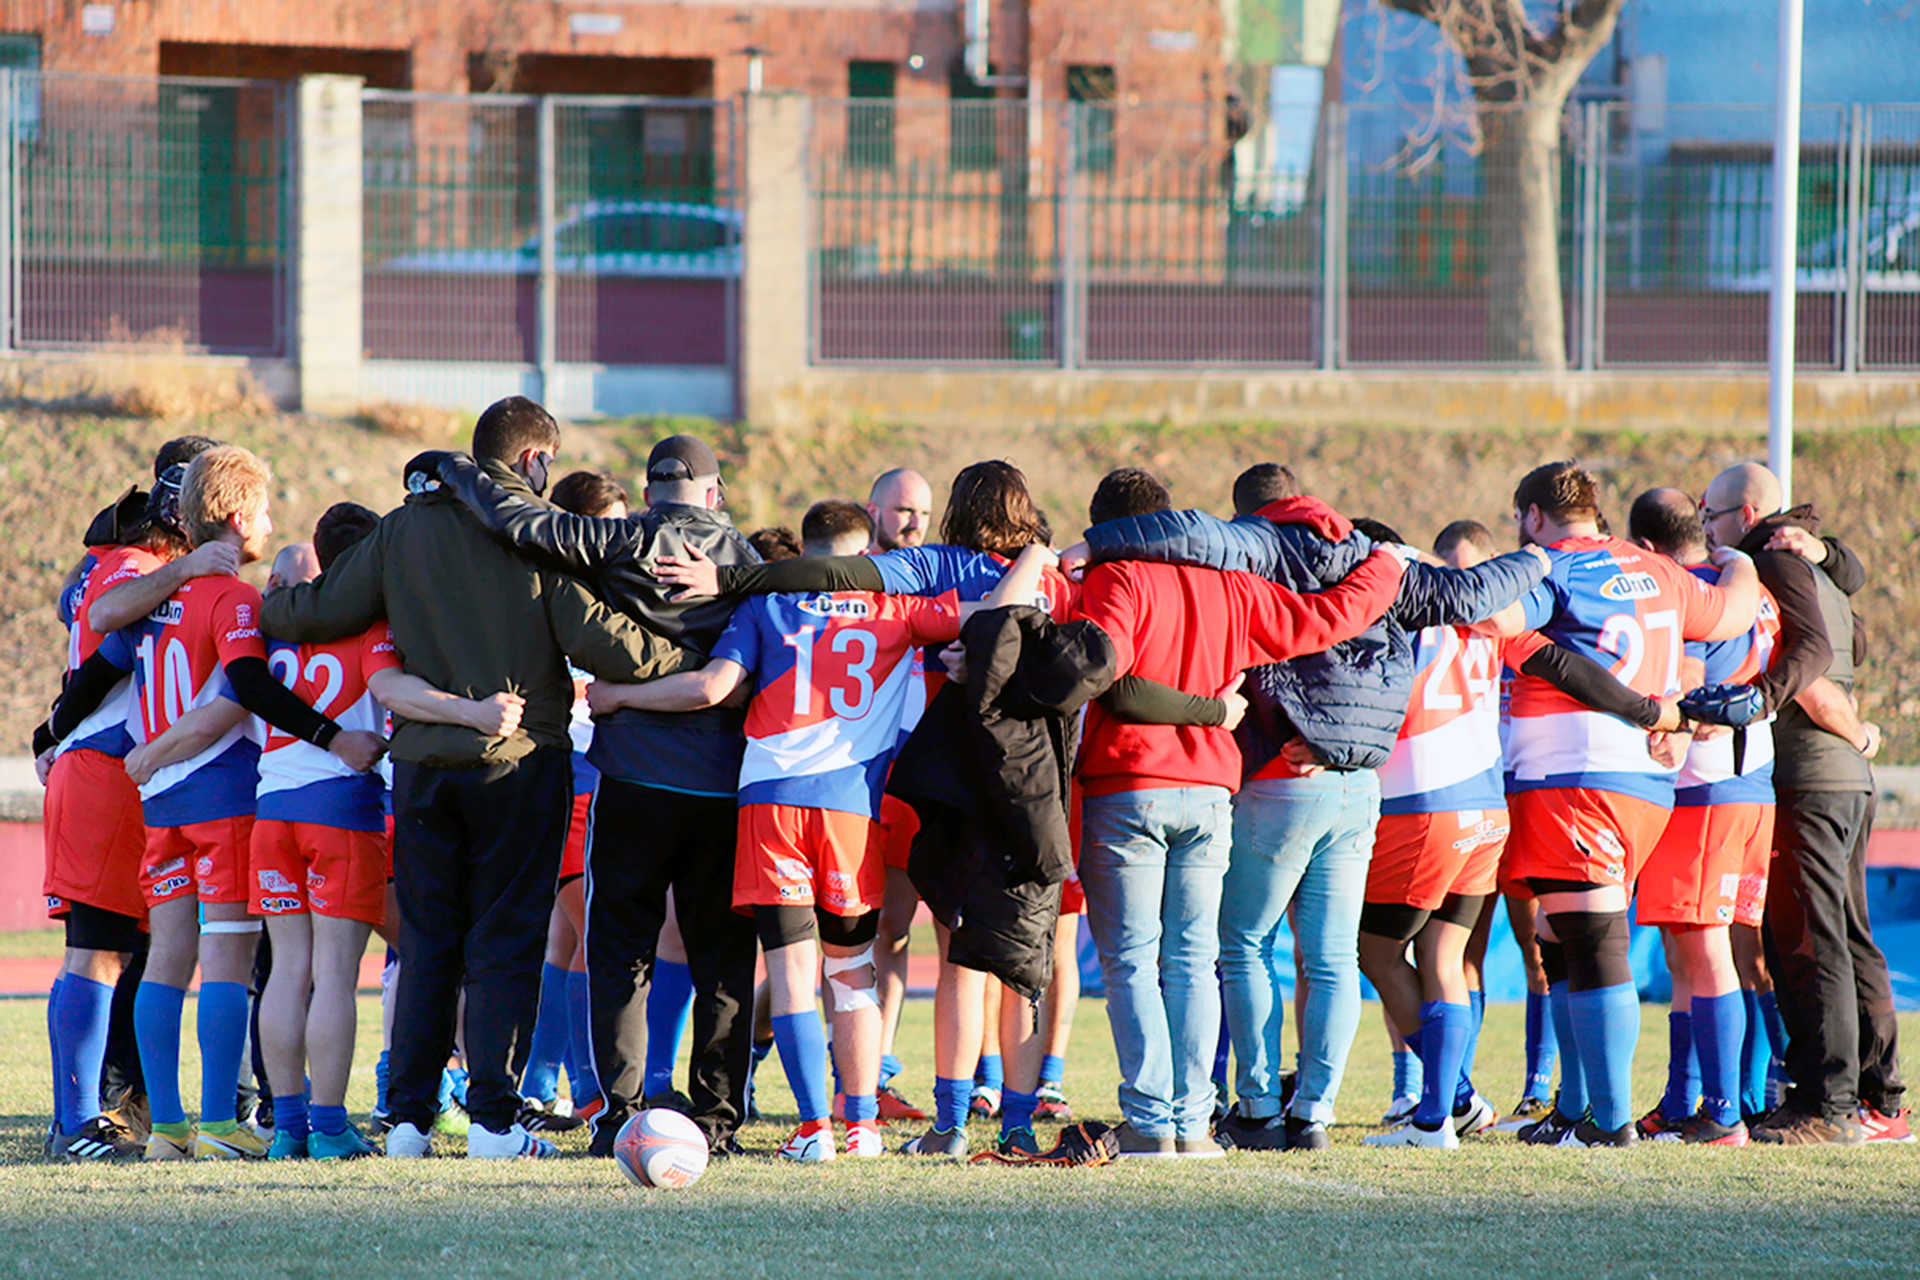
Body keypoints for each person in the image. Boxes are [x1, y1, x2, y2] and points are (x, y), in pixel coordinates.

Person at [1072, 465, 1550, 1151]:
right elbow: (1472, 591)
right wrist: (1537, 556)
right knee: (1330, 956)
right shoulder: (1374, 557)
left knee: (1238, 946)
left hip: (1280, 771)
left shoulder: (1258, 548)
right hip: (1362, 782)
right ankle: (1316, 1114)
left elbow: (1188, 535)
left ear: (1253, 514)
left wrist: (1101, 543)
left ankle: (1260, 1105)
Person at [263, 397, 687, 1160]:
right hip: (519, 766)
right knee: (505, 940)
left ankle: (408, 1123)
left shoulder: (401, 530)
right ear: (532, 462)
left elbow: (319, 609)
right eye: (547, 462)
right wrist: (697, 658)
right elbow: (606, 643)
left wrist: (251, 606)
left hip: (422, 769)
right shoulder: (530, 534)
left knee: (427, 945)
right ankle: (493, 1120)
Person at [590, 502, 1055, 1161]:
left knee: (791, 973)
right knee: (852, 973)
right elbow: (995, 614)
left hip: (771, 806)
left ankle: (815, 1130)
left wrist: (619, 696)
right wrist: (1036, 555)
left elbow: (711, 688)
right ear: (865, 558)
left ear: (802, 551)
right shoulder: (899, 610)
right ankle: (861, 1125)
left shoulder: (764, 607)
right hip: (851, 812)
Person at [416, 431, 764, 1157]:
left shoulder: (614, 540)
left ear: (646, 493)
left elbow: (517, 521)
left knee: (618, 951)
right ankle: (721, 1119)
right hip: (725, 787)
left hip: (633, 779)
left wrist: (459, 469)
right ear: (714, 494)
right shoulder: (746, 560)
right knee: (722, 957)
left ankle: (617, 1114)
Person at [46, 447, 388, 1160]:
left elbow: (100, 642)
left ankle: (167, 1131)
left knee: (166, 959)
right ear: (238, 519)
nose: (268, 524)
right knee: (228, 966)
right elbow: (241, 697)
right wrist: (329, 735)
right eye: (263, 513)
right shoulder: (238, 600)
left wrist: (50, 731)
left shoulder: (153, 597)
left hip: (161, 809)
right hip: (221, 800)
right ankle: (218, 1125)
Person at [1068, 519, 1409, 1157]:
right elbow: (1325, 618)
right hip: (1211, 792)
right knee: (1197, 960)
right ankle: (1195, 1123)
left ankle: (1152, 1121)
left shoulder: (1116, 577)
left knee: (1137, 960)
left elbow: (1104, 677)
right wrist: (1385, 568)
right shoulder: (1234, 586)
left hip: (1131, 782)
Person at [1498, 460, 1759, 1148]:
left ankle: (1610, 1124)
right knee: (1558, 939)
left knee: (1593, 942)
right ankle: (1578, 1109)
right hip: (1638, 780)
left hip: (1578, 775)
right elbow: (1731, 609)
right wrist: (1736, 559)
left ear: (1532, 517)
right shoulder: (1661, 571)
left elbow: (1502, 617)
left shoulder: (1549, 569)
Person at [1698, 463, 1906, 1145]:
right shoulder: (1817, 566)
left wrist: (1759, 699)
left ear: (1748, 511)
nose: (1706, 531)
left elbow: (1808, 663)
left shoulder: (1767, 563)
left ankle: (1827, 1103)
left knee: (1810, 941)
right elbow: (1854, 639)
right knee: (1849, 935)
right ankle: (1881, 1096)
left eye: (1712, 516)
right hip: (1843, 776)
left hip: (1810, 775)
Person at [33, 438, 228, 1160]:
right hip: (113, 773)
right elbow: (107, 623)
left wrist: (48, 728)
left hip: (109, 767)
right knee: (100, 954)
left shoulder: (117, 564)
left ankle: (110, 1108)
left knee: (129, 950)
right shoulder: (136, 568)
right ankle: (79, 1119)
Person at [1613, 488, 1783, 1148]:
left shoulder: (1692, 594)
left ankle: (1722, 1112)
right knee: (1692, 952)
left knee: (1706, 950)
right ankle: (1686, 1099)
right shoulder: (1749, 586)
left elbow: (1683, 682)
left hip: (1706, 790)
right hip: (1749, 786)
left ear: (1650, 551)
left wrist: (1670, 732)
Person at [866, 467, 936, 1121]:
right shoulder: (855, 579)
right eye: (901, 510)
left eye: (921, 512)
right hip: (851, 788)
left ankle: (877, 1076)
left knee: (900, 934)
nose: (912, 523)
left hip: (919, 795)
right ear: (873, 510)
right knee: (848, 937)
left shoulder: (944, 580)